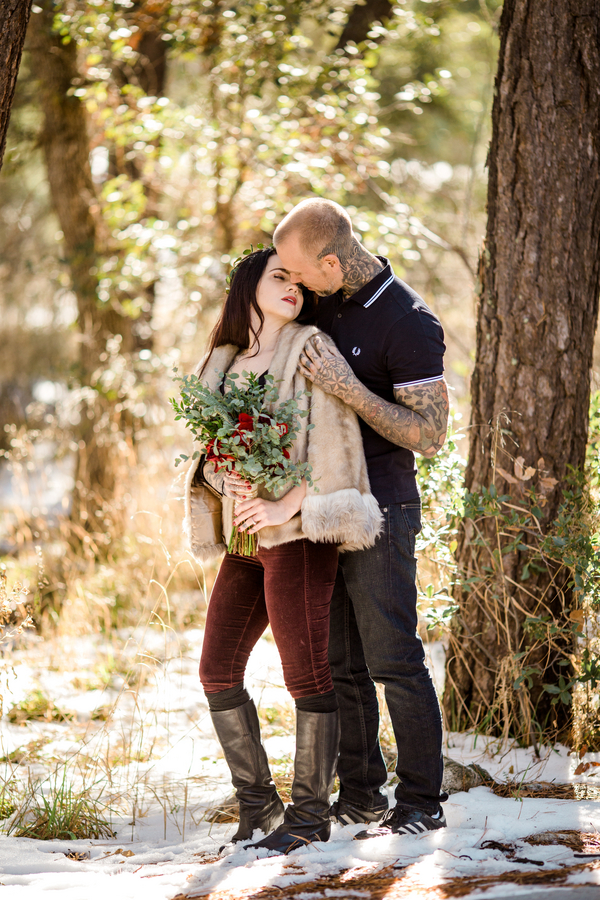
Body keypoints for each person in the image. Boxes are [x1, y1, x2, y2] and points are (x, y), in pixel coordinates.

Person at [183, 247, 383, 854]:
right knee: (216, 669)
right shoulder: (221, 364)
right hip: (244, 541)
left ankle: (309, 817)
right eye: (280, 277)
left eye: (300, 280)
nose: (294, 287)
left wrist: (281, 505)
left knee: (307, 676)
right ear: (249, 286)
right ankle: (258, 804)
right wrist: (229, 480)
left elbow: (336, 454)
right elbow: (207, 457)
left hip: (296, 537)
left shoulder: (310, 350)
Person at [273, 198, 450, 838]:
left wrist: (350, 387)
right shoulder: (322, 300)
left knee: (393, 658)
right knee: (340, 662)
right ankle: (362, 795)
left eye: (298, 272)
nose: (292, 284)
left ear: (330, 261)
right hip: (321, 507)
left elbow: (430, 435)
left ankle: (422, 801)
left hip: (382, 510)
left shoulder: (409, 321)